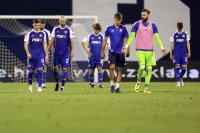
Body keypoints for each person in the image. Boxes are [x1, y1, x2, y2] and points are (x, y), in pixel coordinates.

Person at [124, 9, 166, 94]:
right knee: (142, 67)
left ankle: (147, 87)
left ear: (148, 15)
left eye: (144, 15)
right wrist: (126, 46)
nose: (142, 16)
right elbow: (132, 37)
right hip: (140, 50)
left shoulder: (153, 25)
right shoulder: (136, 24)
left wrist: (162, 47)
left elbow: (157, 37)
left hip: (150, 51)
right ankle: (138, 82)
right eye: (142, 15)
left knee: (149, 68)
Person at [102, 13, 129, 93]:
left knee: (119, 69)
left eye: (120, 20)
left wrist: (127, 50)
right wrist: (102, 51)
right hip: (112, 52)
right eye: (117, 20)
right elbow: (105, 40)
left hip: (121, 52)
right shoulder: (109, 28)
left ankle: (117, 87)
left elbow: (126, 40)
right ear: (114, 19)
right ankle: (112, 85)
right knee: (112, 68)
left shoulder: (123, 29)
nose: (118, 22)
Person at [48, 16, 75, 91]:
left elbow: (72, 40)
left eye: (64, 21)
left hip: (66, 52)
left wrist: (72, 51)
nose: (62, 22)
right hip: (56, 52)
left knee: (65, 68)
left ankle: (62, 86)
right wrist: (48, 49)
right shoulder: (55, 29)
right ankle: (57, 83)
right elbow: (52, 39)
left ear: (65, 21)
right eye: (61, 21)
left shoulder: (69, 29)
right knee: (55, 69)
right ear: (59, 21)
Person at [24, 19, 48, 92]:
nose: (37, 26)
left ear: (40, 25)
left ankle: (39, 87)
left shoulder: (43, 34)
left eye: (38, 25)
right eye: (35, 25)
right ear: (33, 25)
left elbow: (45, 44)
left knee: (40, 70)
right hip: (31, 56)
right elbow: (25, 44)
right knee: (31, 72)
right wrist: (28, 53)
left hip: (40, 55)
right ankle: (30, 86)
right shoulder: (29, 34)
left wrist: (46, 55)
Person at [82, 23, 104, 88]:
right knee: (92, 70)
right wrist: (87, 51)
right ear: (93, 29)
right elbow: (83, 42)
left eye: (97, 29)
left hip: (99, 56)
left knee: (100, 69)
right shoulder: (90, 36)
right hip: (92, 56)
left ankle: (100, 84)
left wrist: (103, 53)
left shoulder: (102, 36)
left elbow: (106, 45)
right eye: (94, 29)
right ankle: (91, 83)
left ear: (99, 30)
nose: (95, 31)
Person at [169, 22, 191, 87]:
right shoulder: (174, 34)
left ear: (181, 27)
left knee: (184, 68)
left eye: (180, 27)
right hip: (176, 53)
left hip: (184, 53)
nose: (179, 28)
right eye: (178, 27)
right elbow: (171, 45)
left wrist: (189, 51)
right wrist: (171, 54)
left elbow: (188, 43)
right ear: (177, 27)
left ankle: (180, 77)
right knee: (177, 67)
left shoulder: (186, 34)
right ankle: (178, 82)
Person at [40, 19, 51, 88]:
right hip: (36, 51)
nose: (42, 26)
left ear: (44, 25)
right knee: (38, 67)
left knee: (44, 67)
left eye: (43, 25)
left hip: (45, 51)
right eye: (41, 24)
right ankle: (39, 81)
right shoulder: (34, 32)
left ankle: (43, 83)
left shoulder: (47, 32)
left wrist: (48, 51)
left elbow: (49, 42)